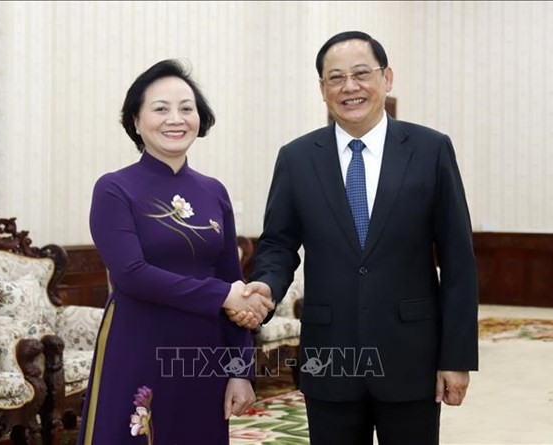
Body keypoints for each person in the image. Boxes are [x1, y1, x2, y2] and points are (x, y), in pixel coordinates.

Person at [232, 31, 479, 444]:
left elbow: (458, 260)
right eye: (336, 78)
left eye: (361, 74)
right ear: (322, 89)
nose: (350, 87)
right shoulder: (296, 158)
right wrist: (267, 286)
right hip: (330, 356)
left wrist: (456, 357)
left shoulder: (431, 149)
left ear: (387, 78)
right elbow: (278, 243)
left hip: (411, 353)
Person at [77, 59, 275, 445]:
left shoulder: (214, 191)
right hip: (138, 346)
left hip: (203, 355)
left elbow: (230, 278)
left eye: (187, 108)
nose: (176, 119)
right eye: (160, 108)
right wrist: (224, 295)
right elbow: (131, 274)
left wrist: (239, 369)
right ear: (136, 120)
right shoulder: (114, 189)